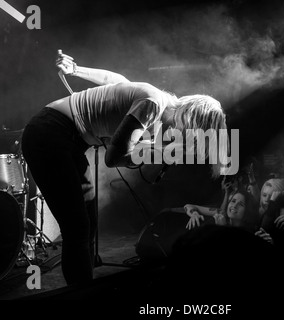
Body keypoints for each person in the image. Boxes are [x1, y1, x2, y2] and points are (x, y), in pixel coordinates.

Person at [21, 52, 228, 285]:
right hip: (50, 134)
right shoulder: (153, 103)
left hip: (65, 140)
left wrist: (77, 70)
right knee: (77, 228)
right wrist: (155, 153)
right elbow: (113, 157)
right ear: (191, 122)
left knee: (86, 224)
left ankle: (83, 287)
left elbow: (115, 80)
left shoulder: (156, 101)